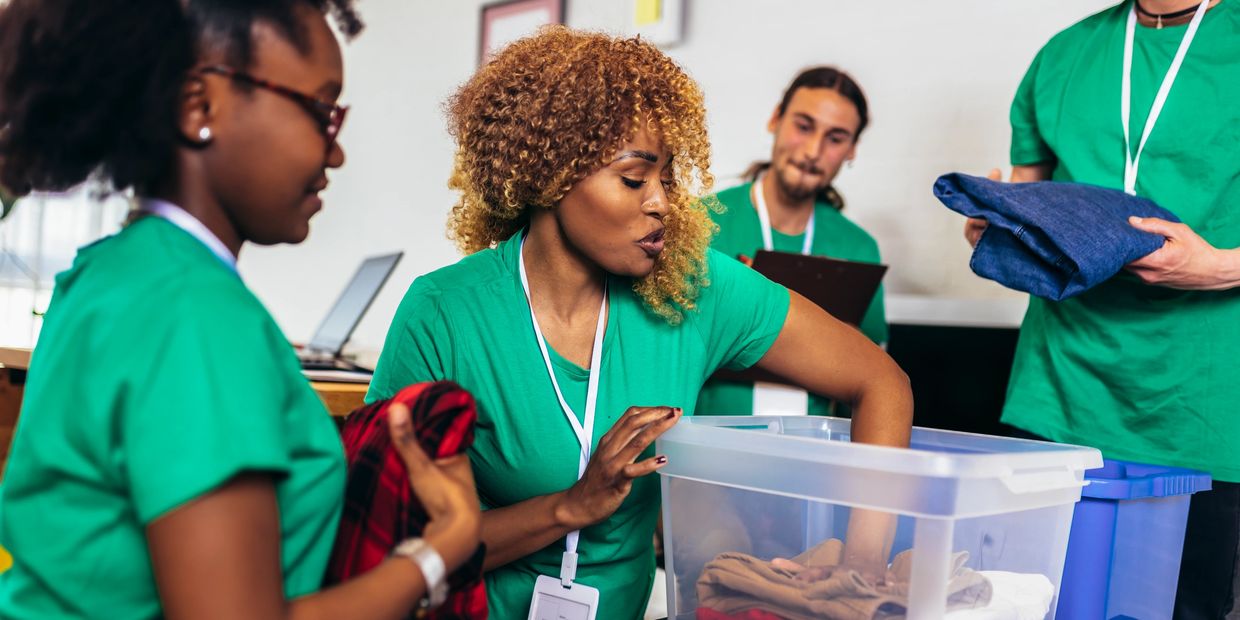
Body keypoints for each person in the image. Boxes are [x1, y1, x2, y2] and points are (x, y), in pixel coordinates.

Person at [367, 27, 913, 620]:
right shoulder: (445, 313)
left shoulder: (694, 286)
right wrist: (568, 507)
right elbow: (396, 555)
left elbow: (881, 381)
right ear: (551, 172)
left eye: (668, 179)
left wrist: (861, 565)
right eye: (634, 179)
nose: (662, 203)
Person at [0, 1, 479, 618]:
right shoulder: (196, 315)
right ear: (200, 106)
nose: (335, 154)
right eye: (320, 111)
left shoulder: (116, 268)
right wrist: (441, 549)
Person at [963, 1, 1240, 616]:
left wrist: (1219, 266)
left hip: (1199, 407)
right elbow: (1028, 197)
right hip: (1062, 393)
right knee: (1031, 601)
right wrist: (1001, 231)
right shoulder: (1063, 55)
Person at [696, 66, 887, 416]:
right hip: (710, 452)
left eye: (836, 137)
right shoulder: (702, 221)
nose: (814, 150)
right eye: (803, 126)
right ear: (775, 120)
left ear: (852, 150)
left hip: (815, 456)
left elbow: (874, 380)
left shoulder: (858, 248)